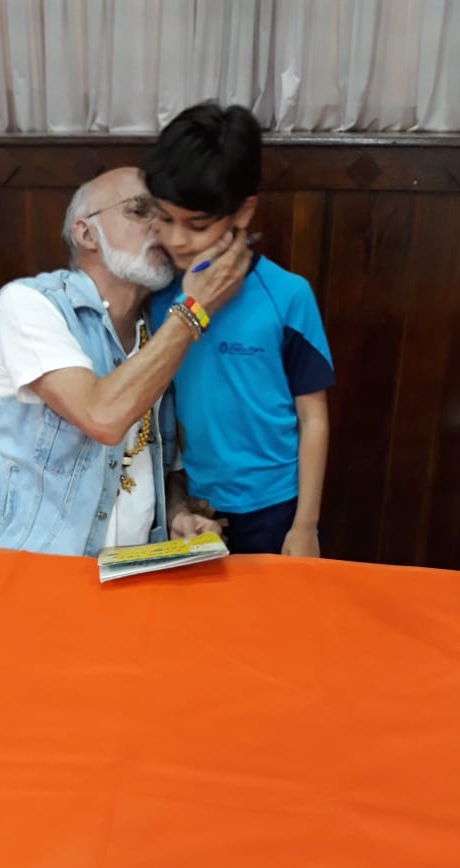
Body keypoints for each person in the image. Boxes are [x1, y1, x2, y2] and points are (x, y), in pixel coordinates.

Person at [0, 166, 252, 556]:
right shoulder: (30, 303)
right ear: (86, 233)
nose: (160, 227)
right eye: (140, 210)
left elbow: (162, 465)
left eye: (165, 215)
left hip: (132, 569)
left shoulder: (159, 333)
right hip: (29, 568)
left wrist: (178, 514)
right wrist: (194, 309)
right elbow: (103, 417)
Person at [143, 103, 335, 557]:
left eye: (197, 225)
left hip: (277, 507)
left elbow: (313, 418)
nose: (176, 239)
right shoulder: (159, 300)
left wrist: (305, 525)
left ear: (244, 211)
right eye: (165, 218)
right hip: (196, 506)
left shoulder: (287, 295)